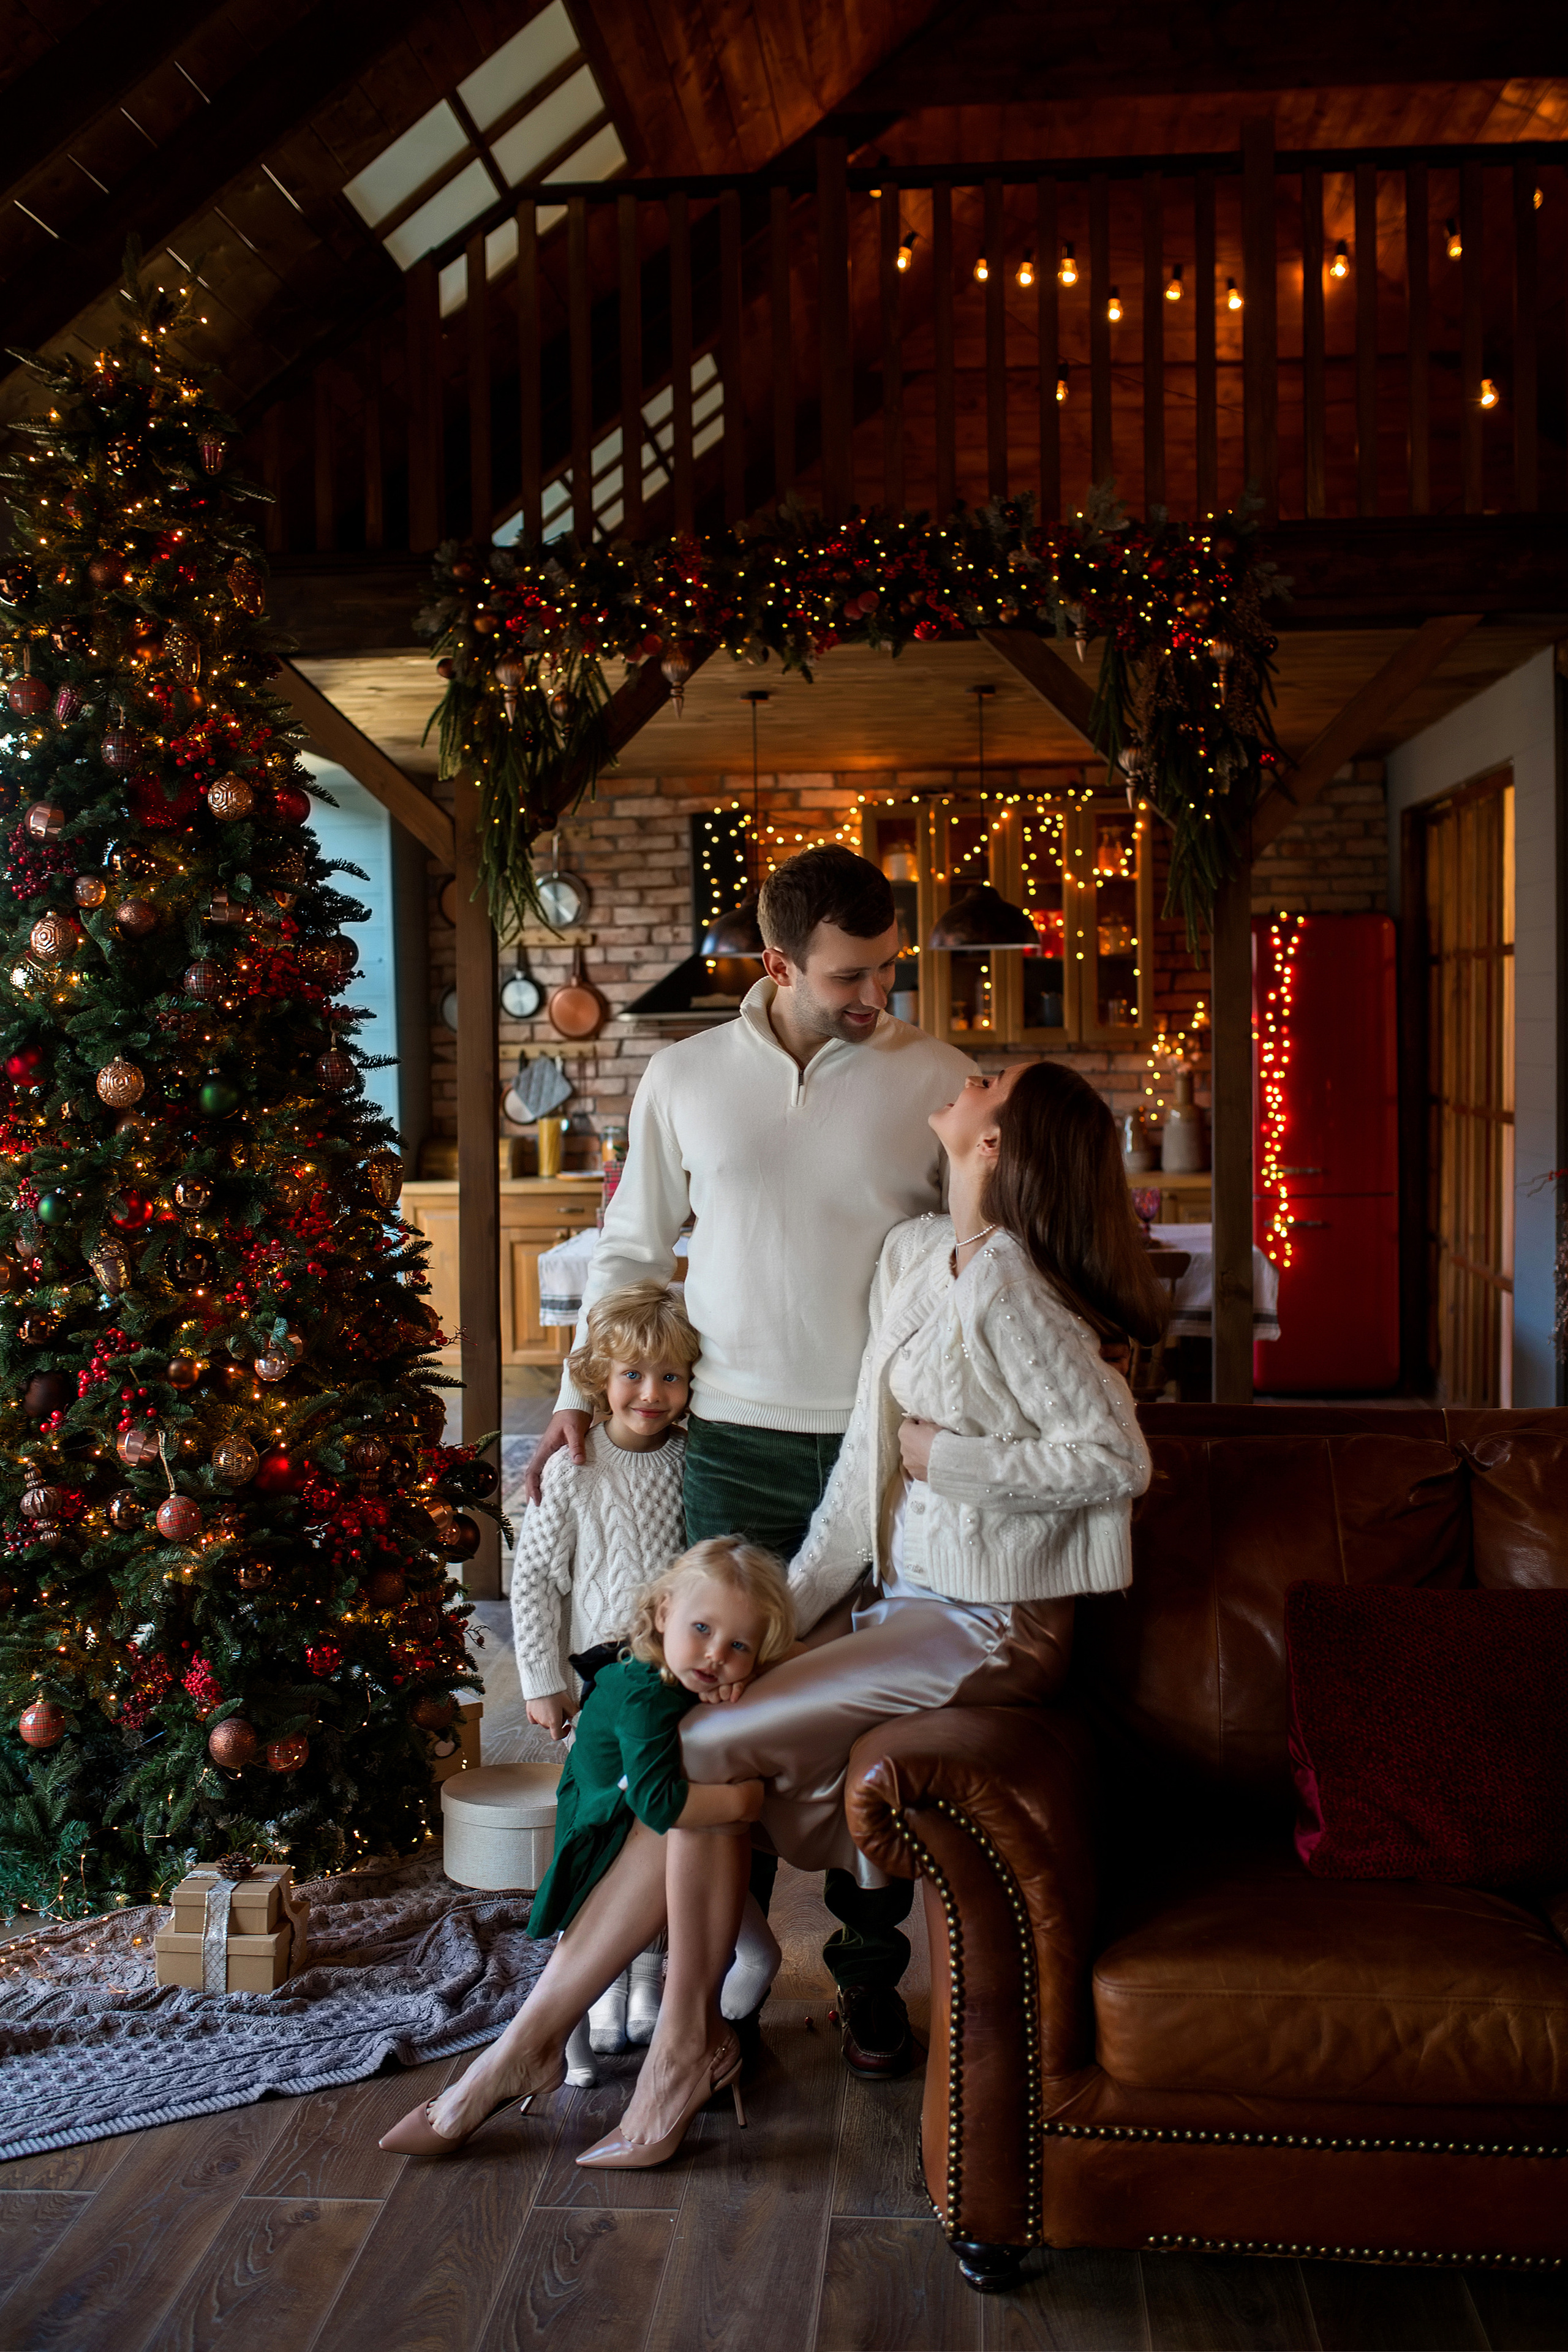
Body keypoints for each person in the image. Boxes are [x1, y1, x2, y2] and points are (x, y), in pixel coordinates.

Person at [524, 845, 975, 2076]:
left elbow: (984, 1255)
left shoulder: (935, 1077)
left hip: (885, 1457)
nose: (874, 996)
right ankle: (718, 1975)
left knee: (866, 1731)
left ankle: (870, 1980)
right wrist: (577, 1390)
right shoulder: (683, 1077)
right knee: (720, 1707)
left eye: (887, 969)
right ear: (775, 964)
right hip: (731, 1448)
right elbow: (628, 1250)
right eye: (846, 976)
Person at [679, 1060, 1164, 1898]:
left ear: (993, 1140)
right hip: (901, 1593)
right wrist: (788, 1608)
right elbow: (868, 1460)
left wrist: (953, 1463)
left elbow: (1118, 1459)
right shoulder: (919, 1254)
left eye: (992, 1078)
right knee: (701, 1711)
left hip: (991, 1624)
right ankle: (685, 1981)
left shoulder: (1010, 1287)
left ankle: (702, 1972)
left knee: (707, 1741)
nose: (971, 1075)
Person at [379, 1540, 794, 2169]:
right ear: (661, 1614)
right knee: (694, 1801)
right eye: (702, 1630)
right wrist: (743, 1803)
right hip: (607, 1828)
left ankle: (530, 2048)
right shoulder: (643, 1689)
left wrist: (732, 1684)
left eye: (737, 1647)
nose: (714, 1656)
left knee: (694, 1785)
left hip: (630, 1818)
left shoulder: (676, 1671)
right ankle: (538, 2045)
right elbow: (659, 1803)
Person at [510, 1280, 704, 2068]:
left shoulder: (693, 1463)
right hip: (597, 1685)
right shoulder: (575, 1468)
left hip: (673, 1690)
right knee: (595, 1827)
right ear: (598, 1378)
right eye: (631, 1375)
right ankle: (593, 1988)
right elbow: (535, 1580)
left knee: (657, 1826)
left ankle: (649, 1973)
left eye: (669, 1377)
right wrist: (540, 1679)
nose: (649, 1394)